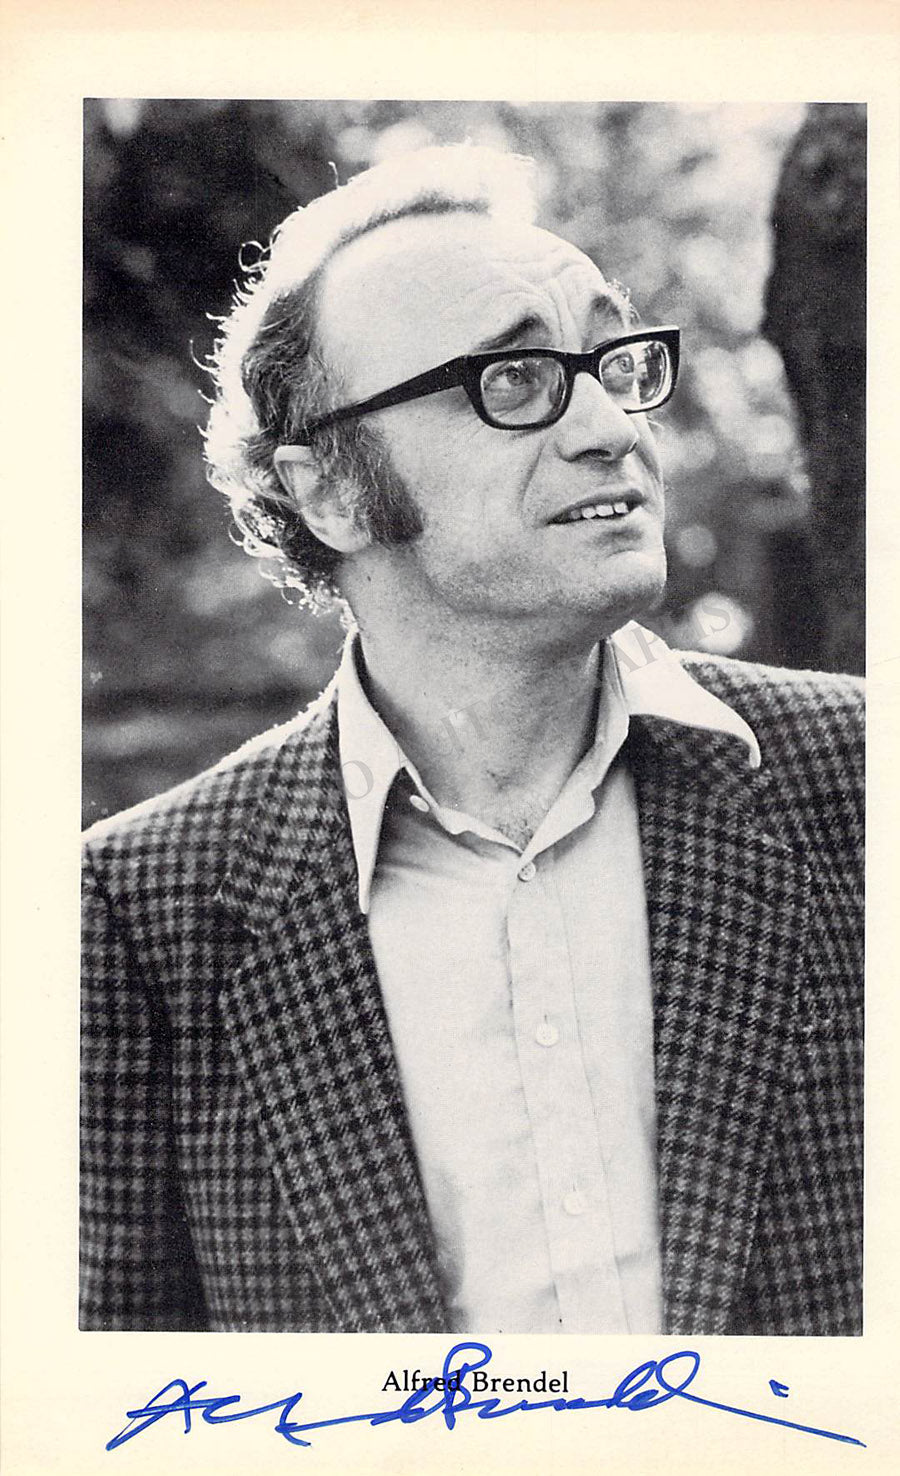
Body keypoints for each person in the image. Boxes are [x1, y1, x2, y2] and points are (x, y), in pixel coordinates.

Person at [80, 144, 863, 1337]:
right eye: (515, 380)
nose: (610, 426)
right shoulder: (140, 910)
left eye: (613, 362)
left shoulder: (860, 781)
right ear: (331, 491)